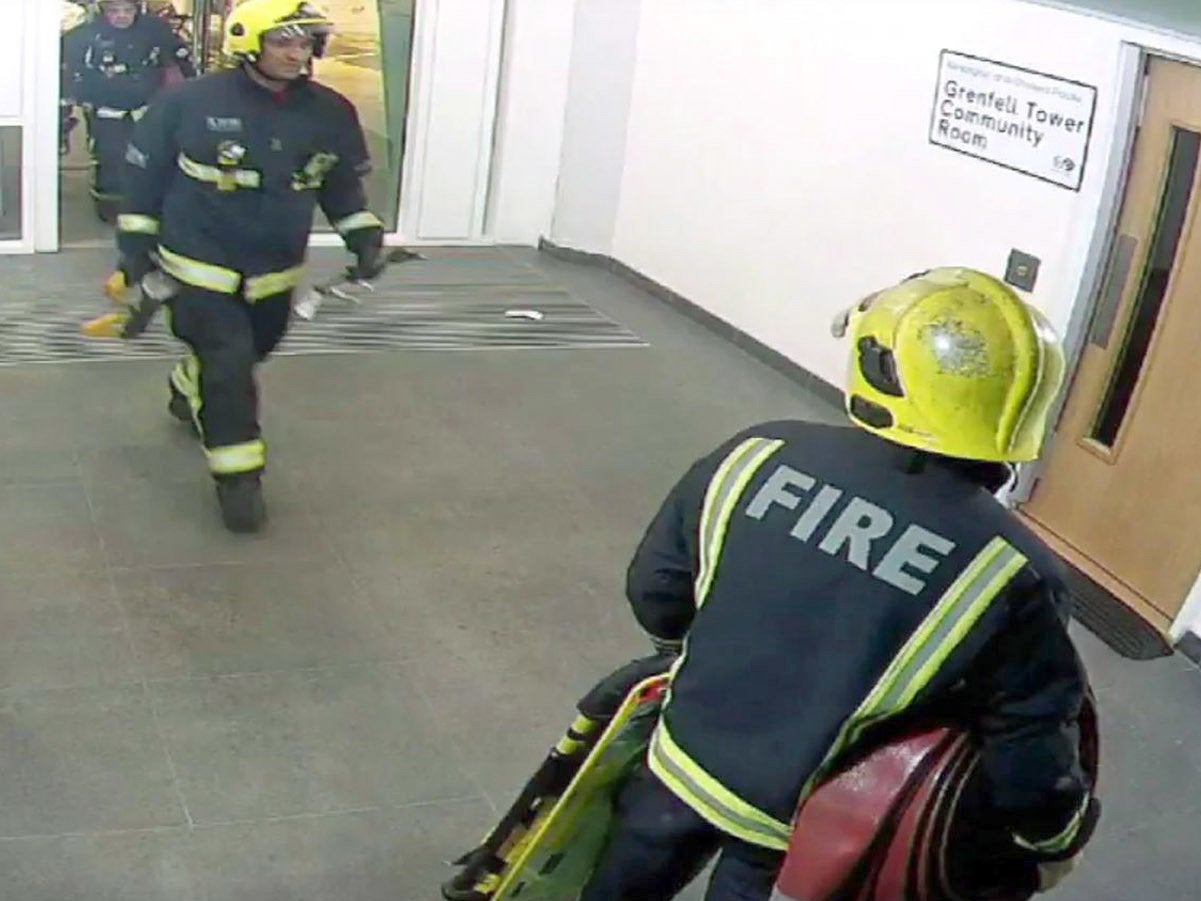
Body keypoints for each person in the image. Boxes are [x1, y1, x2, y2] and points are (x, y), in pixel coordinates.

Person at [579, 268, 1099, 900]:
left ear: (880, 369)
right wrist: (1054, 840)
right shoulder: (1014, 572)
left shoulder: (757, 452)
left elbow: (656, 594)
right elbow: (1029, 747)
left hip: (678, 764)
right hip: (803, 828)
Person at [113, 0, 386, 532]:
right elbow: (143, 180)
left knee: (250, 352)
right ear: (248, 41)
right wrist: (135, 246)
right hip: (197, 265)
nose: (296, 54)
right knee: (230, 365)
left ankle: (188, 381)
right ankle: (238, 479)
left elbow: (340, 187)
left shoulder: (331, 112)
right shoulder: (187, 102)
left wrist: (364, 237)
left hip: (276, 270)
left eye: (305, 43)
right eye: (283, 42)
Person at [61, 0, 195, 220]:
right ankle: (110, 207)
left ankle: (147, 204)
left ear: (137, 10)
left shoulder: (155, 29)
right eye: (114, 11)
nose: (121, 16)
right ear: (104, 11)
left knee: (150, 157)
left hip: (147, 107)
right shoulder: (84, 35)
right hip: (105, 110)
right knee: (109, 158)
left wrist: (189, 93)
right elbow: (68, 71)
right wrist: (71, 103)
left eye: (127, 10)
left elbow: (180, 60)